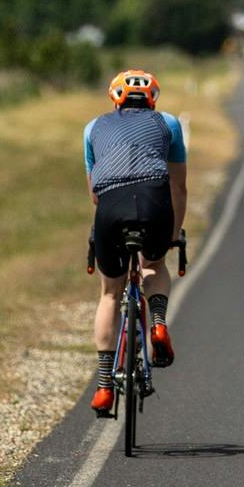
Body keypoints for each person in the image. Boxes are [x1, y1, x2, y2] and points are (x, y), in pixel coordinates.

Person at [83, 67, 187, 417]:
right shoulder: (168, 124)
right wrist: (173, 235)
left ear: (115, 98)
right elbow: (178, 187)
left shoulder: (93, 128)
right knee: (154, 264)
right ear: (153, 98)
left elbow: (95, 194)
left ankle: (103, 386)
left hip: (111, 207)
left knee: (110, 293)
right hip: (154, 200)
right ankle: (157, 321)